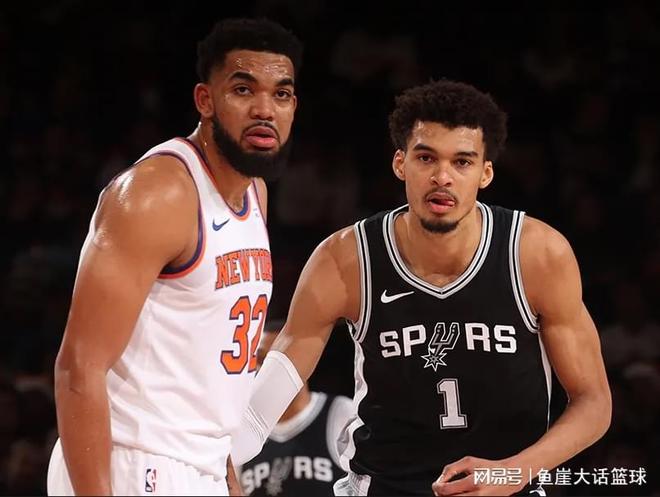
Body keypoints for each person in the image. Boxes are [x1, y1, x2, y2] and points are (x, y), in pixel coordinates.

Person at [232, 80, 612, 496]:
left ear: (485, 172)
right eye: (426, 157)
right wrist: (217, 460)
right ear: (401, 163)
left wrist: (512, 472)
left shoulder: (536, 254)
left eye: (462, 162)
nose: (442, 177)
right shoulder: (345, 259)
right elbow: (268, 397)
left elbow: (594, 402)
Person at [46, 18, 302, 496]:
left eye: (281, 94)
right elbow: (79, 366)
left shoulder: (256, 194)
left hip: (198, 464)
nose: (265, 109)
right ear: (205, 100)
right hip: (132, 459)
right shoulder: (157, 194)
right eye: (243, 90)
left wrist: (224, 473)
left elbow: (212, 370)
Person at [236, 319, 353, 496]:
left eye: (274, 362)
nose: (266, 370)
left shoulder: (339, 412)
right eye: (259, 359)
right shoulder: (241, 429)